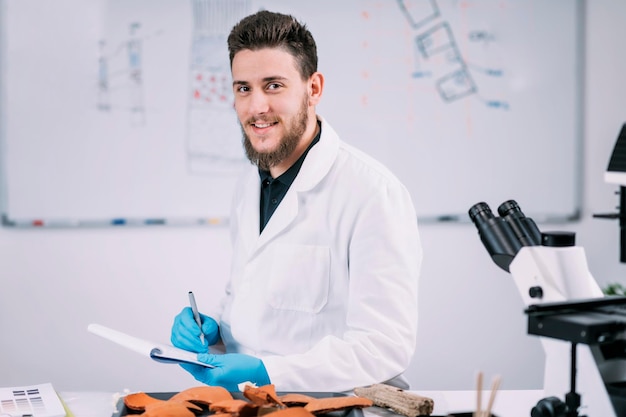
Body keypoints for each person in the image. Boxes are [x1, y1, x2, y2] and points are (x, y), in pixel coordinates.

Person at [170, 9, 422, 393]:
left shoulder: (373, 192)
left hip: (330, 404)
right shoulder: (250, 183)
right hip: (250, 402)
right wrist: (213, 329)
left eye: (273, 85)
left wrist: (268, 372)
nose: (256, 107)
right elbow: (250, 296)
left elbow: (384, 347)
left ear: (313, 88)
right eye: (243, 88)